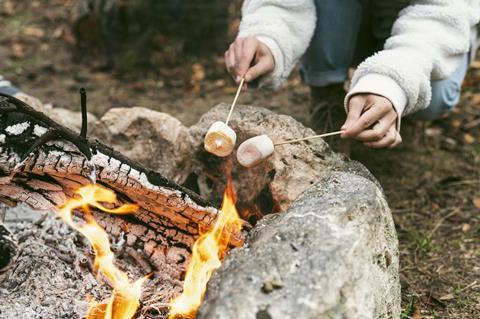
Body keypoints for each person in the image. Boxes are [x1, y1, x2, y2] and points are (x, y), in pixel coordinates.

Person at [225, 0, 480, 149]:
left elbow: (443, 13)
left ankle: (392, 113)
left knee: (433, 99)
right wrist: (269, 38)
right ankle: (327, 95)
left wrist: (392, 84)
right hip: (350, 14)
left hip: (432, 24)